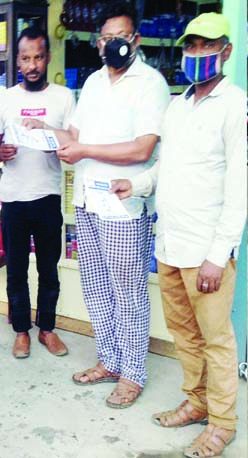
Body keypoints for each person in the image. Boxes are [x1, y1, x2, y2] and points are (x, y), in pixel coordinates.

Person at [111, 13, 246, 457]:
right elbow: (164, 167)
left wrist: (218, 253)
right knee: (184, 335)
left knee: (217, 340)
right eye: (191, 47)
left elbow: (238, 188)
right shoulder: (178, 104)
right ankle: (197, 402)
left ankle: (223, 423)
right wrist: (139, 184)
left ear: (226, 51)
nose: (197, 54)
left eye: (207, 47)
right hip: (169, 245)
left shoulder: (235, 106)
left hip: (206, 252)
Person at [55, 1, 170, 408]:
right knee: (96, 287)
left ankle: (133, 373)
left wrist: (83, 147)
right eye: (106, 38)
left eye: (120, 37)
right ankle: (109, 360)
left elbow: (144, 148)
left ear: (135, 39)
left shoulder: (150, 83)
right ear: (97, 42)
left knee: (128, 290)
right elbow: (74, 132)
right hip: (88, 200)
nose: (112, 45)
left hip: (123, 204)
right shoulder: (92, 83)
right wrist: (44, 133)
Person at [0, 26, 75, 360]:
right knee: (17, 269)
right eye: (26, 58)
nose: (32, 64)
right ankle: (21, 331)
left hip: (48, 196)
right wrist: (0, 154)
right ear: (18, 60)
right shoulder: (6, 98)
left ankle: (47, 330)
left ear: (47, 58)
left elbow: (73, 141)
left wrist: (50, 133)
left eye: (38, 57)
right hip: (14, 198)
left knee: (49, 268)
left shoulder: (63, 97)